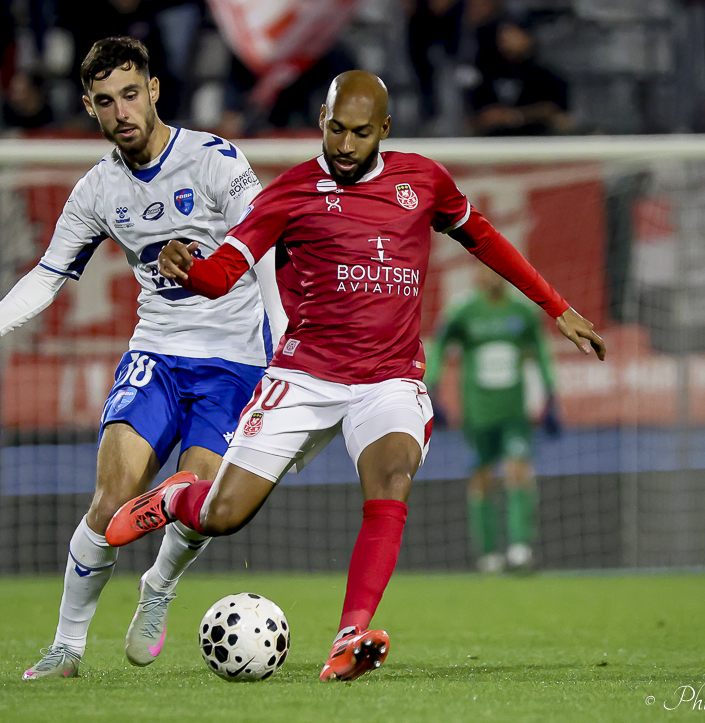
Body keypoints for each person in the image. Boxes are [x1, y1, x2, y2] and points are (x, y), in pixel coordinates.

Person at [106, 70, 606, 682]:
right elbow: (219, 277)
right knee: (223, 516)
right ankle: (178, 496)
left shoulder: (423, 181)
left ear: (384, 131)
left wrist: (557, 307)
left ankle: (351, 633)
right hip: (304, 376)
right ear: (322, 119)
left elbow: (484, 238)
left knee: (392, 476)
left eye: (360, 134)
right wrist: (183, 264)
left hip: (389, 379)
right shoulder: (290, 193)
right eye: (336, 129)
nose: (344, 145)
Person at [0, 37, 286, 680]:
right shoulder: (97, 188)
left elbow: (264, 250)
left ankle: (158, 586)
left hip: (234, 364)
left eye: (130, 94)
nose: (121, 111)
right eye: (105, 101)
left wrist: (283, 347)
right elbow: (48, 272)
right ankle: (67, 648)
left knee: (199, 503)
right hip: (156, 352)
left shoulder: (216, 161)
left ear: (153, 90)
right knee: (109, 501)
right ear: (91, 109)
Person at [428, 266, 558, 574]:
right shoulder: (463, 312)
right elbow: (439, 346)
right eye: (487, 272)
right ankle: (487, 554)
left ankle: (519, 549)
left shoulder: (524, 313)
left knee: (518, 471)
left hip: (514, 411)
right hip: (478, 413)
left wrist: (552, 394)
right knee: (483, 478)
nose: (493, 277)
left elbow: (541, 351)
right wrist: (431, 385)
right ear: (477, 276)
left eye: (498, 271)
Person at [470, 17, 574, 136]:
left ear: (528, 37)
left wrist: (515, 116)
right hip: (493, 146)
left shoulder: (548, 78)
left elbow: (559, 115)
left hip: (537, 144)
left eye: (513, 34)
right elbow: (474, 119)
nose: (506, 40)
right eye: (502, 36)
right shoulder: (486, 76)